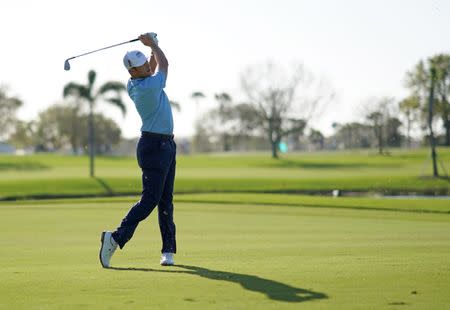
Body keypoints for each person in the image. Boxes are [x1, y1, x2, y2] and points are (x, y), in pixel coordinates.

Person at [99, 32, 177, 268]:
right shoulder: (147, 87)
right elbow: (164, 64)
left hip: (165, 145)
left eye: (145, 62)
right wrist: (154, 45)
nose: (146, 67)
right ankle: (115, 238)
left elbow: (152, 67)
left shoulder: (138, 82)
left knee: (165, 200)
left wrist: (153, 48)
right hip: (155, 146)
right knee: (150, 199)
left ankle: (168, 251)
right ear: (133, 71)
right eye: (142, 66)